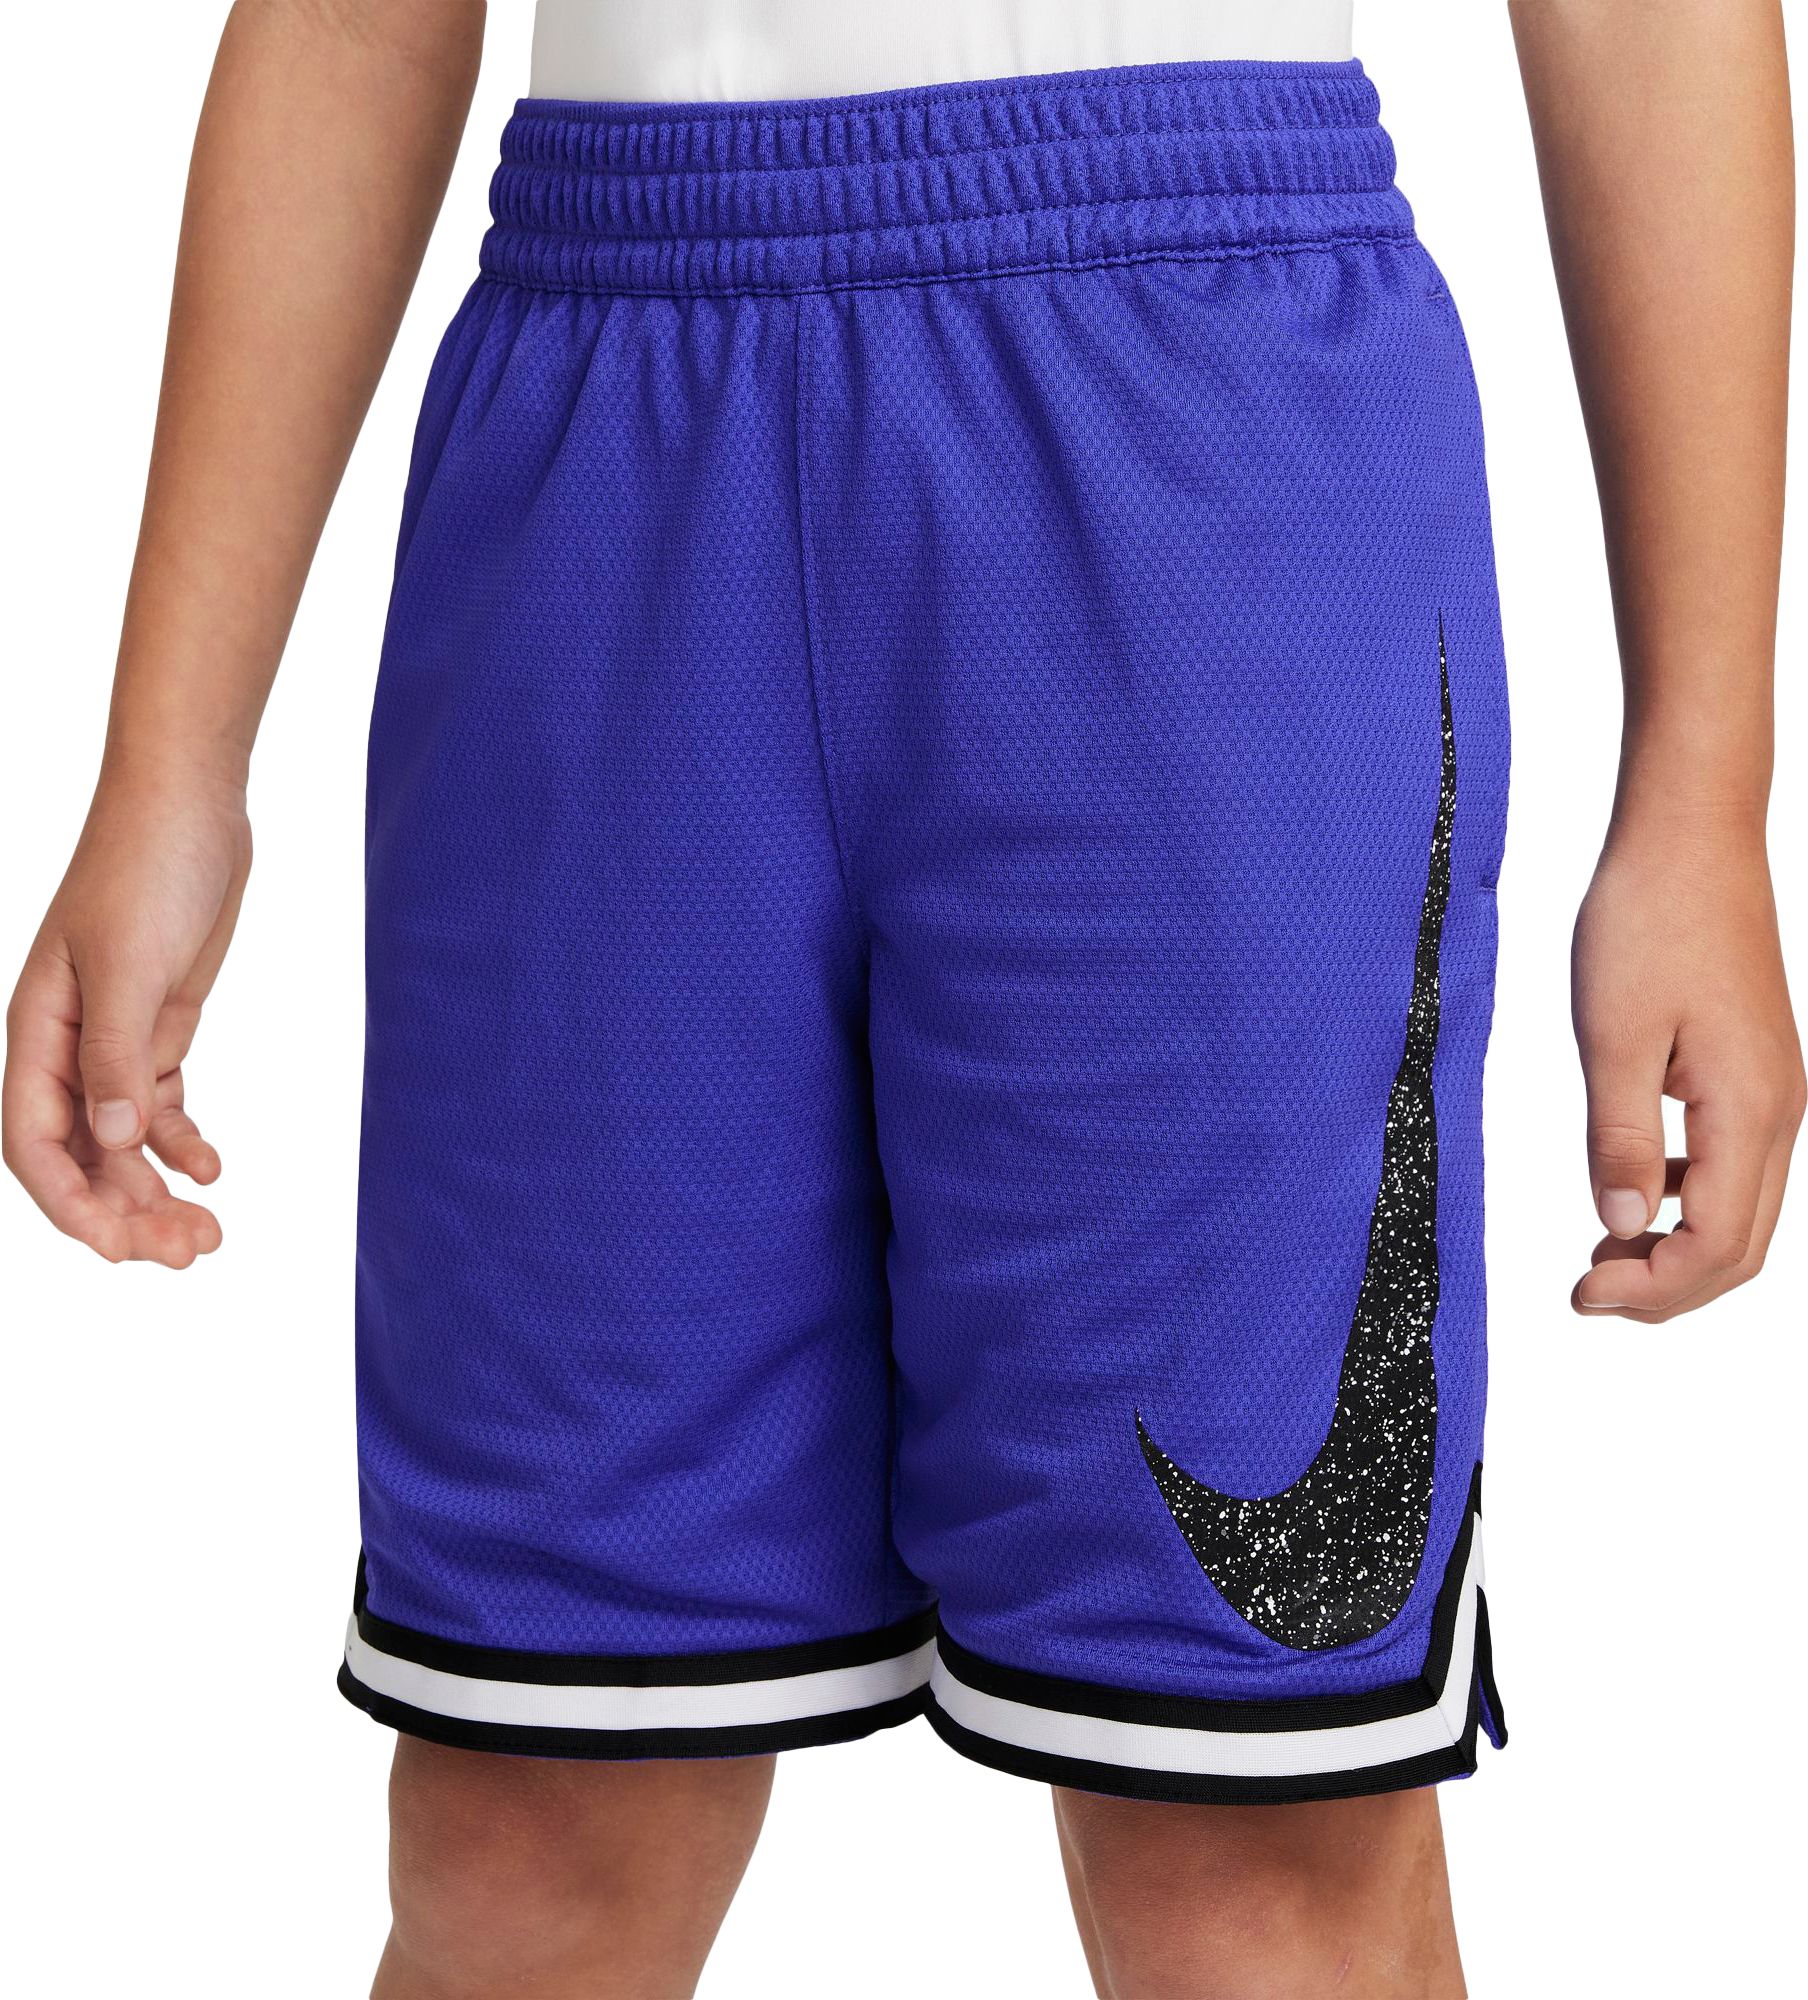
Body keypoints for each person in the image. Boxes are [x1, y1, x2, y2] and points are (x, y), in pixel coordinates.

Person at [2, 1, 1799, 1994]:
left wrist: (1702, 797)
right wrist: (169, 762)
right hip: (608, 430)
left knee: (1249, 1849)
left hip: (1198, 420)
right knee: (535, 1819)